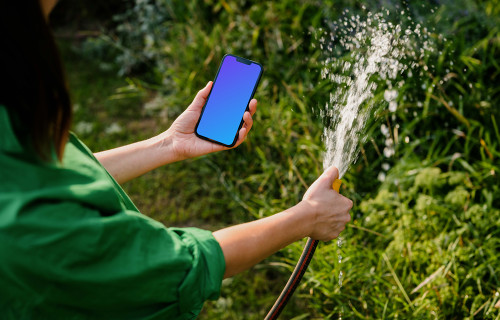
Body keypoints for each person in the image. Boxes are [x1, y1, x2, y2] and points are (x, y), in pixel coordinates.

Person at [0, 0, 353, 319]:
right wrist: (307, 216)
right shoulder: (34, 231)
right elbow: (185, 267)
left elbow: (60, 175)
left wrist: (169, 144)